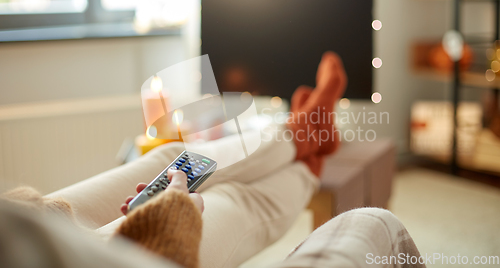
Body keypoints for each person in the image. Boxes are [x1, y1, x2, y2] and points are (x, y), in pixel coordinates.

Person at [0, 52, 424, 268]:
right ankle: (310, 137)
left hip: (28, 227)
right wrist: (168, 223)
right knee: (238, 197)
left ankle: (307, 132)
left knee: (172, 158)